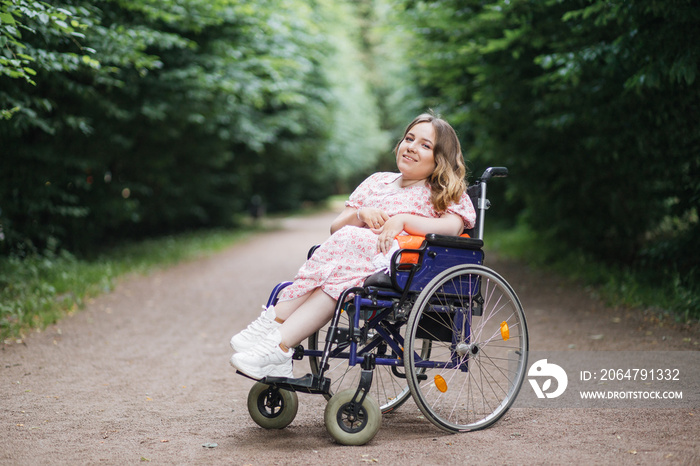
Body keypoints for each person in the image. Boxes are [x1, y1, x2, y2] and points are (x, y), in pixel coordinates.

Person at [229, 112, 476, 380]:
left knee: (346, 248)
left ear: (439, 159)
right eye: (409, 139)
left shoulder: (441, 191)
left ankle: (272, 325)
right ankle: (277, 345)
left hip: (399, 264)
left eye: (425, 145)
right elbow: (336, 227)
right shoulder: (377, 181)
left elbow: (452, 228)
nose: (412, 147)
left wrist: (402, 221)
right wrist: (361, 214)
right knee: (334, 279)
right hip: (350, 261)